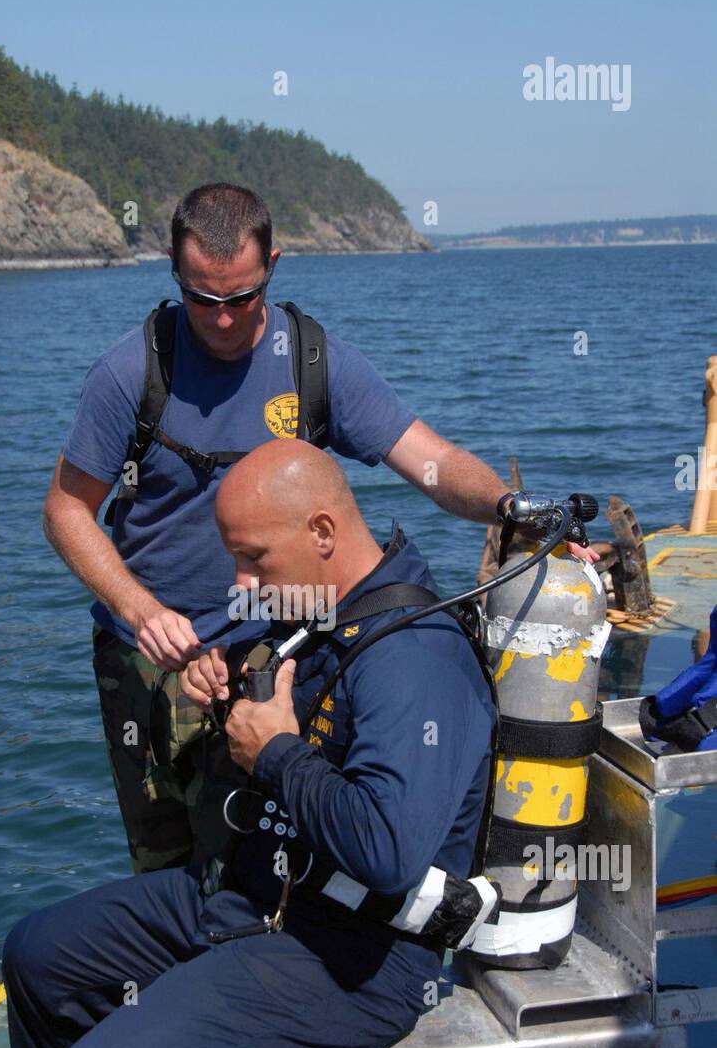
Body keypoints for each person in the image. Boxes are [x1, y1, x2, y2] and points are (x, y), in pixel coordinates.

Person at [0, 441, 497, 1048]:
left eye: (254, 561)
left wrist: (279, 752)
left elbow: (390, 851)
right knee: (40, 954)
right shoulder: (322, 611)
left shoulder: (413, 655)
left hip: (350, 957)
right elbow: (294, 720)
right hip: (260, 892)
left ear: (323, 530)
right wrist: (226, 687)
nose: (243, 586)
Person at [42, 181, 597, 874]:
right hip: (151, 655)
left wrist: (510, 508)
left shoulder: (311, 363)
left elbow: (431, 461)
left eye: (240, 299)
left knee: (252, 862)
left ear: (273, 264)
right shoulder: (130, 372)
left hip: (270, 652)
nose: (220, 320)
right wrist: (141, 610)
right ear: (173, 271)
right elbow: (65, 511)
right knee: (163, 862)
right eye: (201, 299)